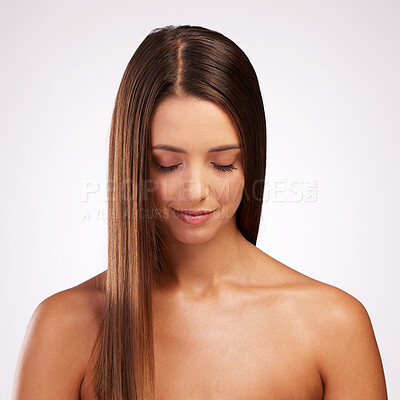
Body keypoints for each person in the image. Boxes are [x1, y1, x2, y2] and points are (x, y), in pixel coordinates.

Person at [12, 25, 387, 400]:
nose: (195, 191)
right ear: (132, 164)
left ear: (252, 161)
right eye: (167, 164)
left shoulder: (334, 327)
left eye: (223, 164)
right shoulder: (62, 328)